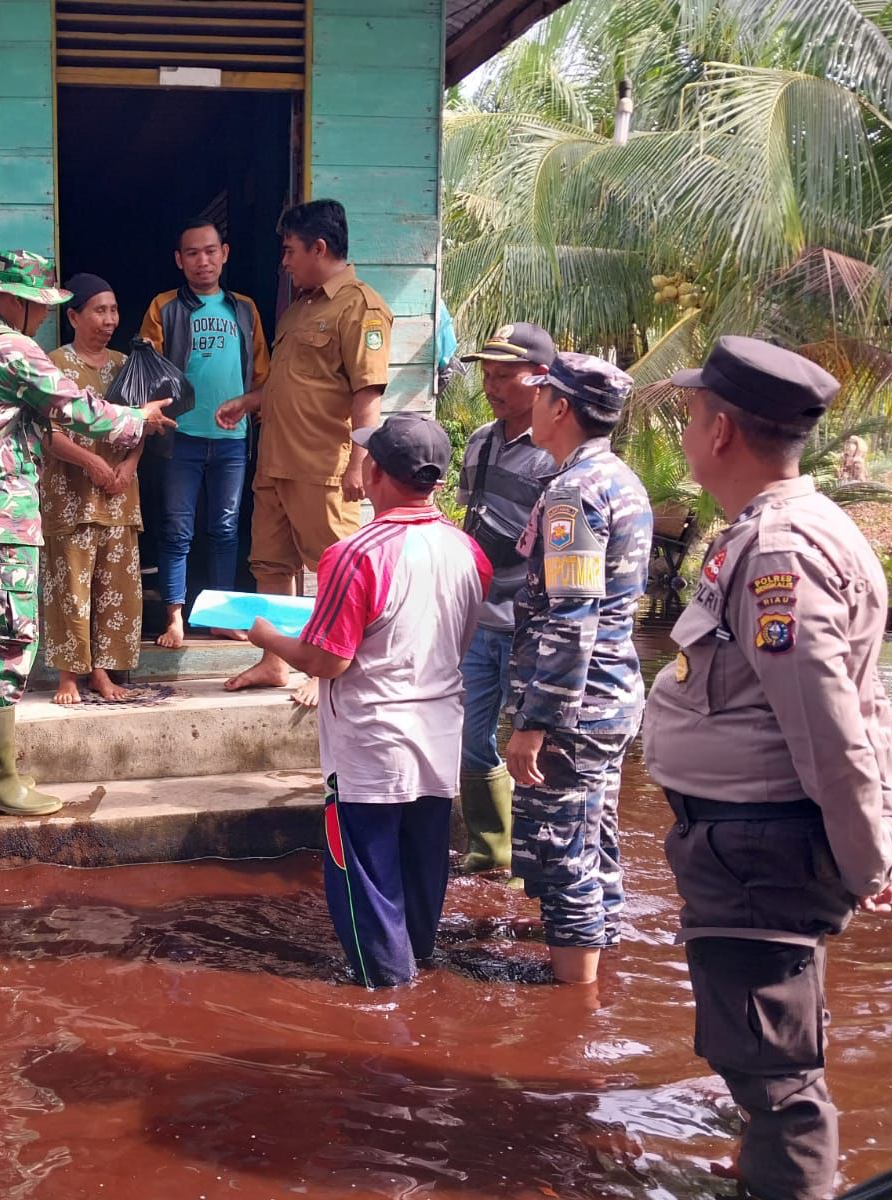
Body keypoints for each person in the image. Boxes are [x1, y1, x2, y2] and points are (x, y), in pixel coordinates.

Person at [643, 336, 892, 1200]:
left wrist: (869, 847)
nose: (687, 428)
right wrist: (884, 825)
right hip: (750, 845)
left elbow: (830, 722)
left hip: (757, 850)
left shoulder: (780, 555)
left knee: (775, 1081)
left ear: (721, 432)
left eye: (692, 415)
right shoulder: (794, 529)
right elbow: (867, 704)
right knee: (765, 1046)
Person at [0, 250, 178, 816]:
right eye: (40, 307)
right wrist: (137, 419)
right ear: (17, 301)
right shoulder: (11, 349)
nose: (42, 318)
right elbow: (76, 409)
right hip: (0, 516)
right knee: (6, 639)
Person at [248, 415, 490, 985]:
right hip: (438, 734)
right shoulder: (468, 550)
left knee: (365, 878)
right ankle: (421, 969)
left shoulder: (354, 554)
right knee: (422, 867)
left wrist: (267, 639)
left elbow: (328, 661)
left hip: (370, 743)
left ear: (375, 471)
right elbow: (460, 637)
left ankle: (384, 990)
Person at [502, 352, 652, 985]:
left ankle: (575, 1010)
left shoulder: (572, 494)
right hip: (611, 696)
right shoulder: (619, 478)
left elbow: (571, 615)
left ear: (560, 408)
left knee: (564, 853)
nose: (529, 405)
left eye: (540, 396)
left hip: (576, 705)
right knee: (596, 835)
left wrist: (535, 720)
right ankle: (597, 973)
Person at [216, 199, 394, 707]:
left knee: (335, 569)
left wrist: (362, 461)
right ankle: (277, 663)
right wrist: (248, 402)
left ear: (320, 247)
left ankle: (329, 666)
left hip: (322, 465)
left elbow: (367, 395)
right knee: (270, 564)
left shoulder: (361, 306)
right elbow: (292, 385)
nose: (285, 261)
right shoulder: (300, 308)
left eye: (290, 250)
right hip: (276, 462)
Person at [138, 218, 272, 647]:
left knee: (225, 530)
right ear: (179, 260)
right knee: (177, 529)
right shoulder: (164, 307)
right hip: (181, 439)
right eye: (192, 253)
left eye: (211, 251)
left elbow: (263, 376)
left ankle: (221, 615)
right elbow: (145, 369)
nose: (203, 260)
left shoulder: (244, 309)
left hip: (232, 443)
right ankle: (174, 617)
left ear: (225, 253)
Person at [453, 323, 557, 873]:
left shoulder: (554, 458)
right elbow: (469, 521)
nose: (491, 386)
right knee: (472, 734)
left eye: (503, 376)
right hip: (481, 618)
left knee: (532, 742)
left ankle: (535, 861)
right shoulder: (479, 443)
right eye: (486, 375)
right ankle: (488, 848)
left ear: (540, 381)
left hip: (529, 625)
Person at [39, 274, 143, 704]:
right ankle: (68, 676)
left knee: (113, 585)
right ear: (74, 316)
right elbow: (46, 431)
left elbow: (142, 426)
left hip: (120, 494)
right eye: (99, 310)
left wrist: (129, 465)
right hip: (71, 495)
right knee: (71, 585)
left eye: (113, 310)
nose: (109, 320)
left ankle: (101, 672)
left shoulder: (126, 364)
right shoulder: (53, 365)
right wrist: (93, 461)